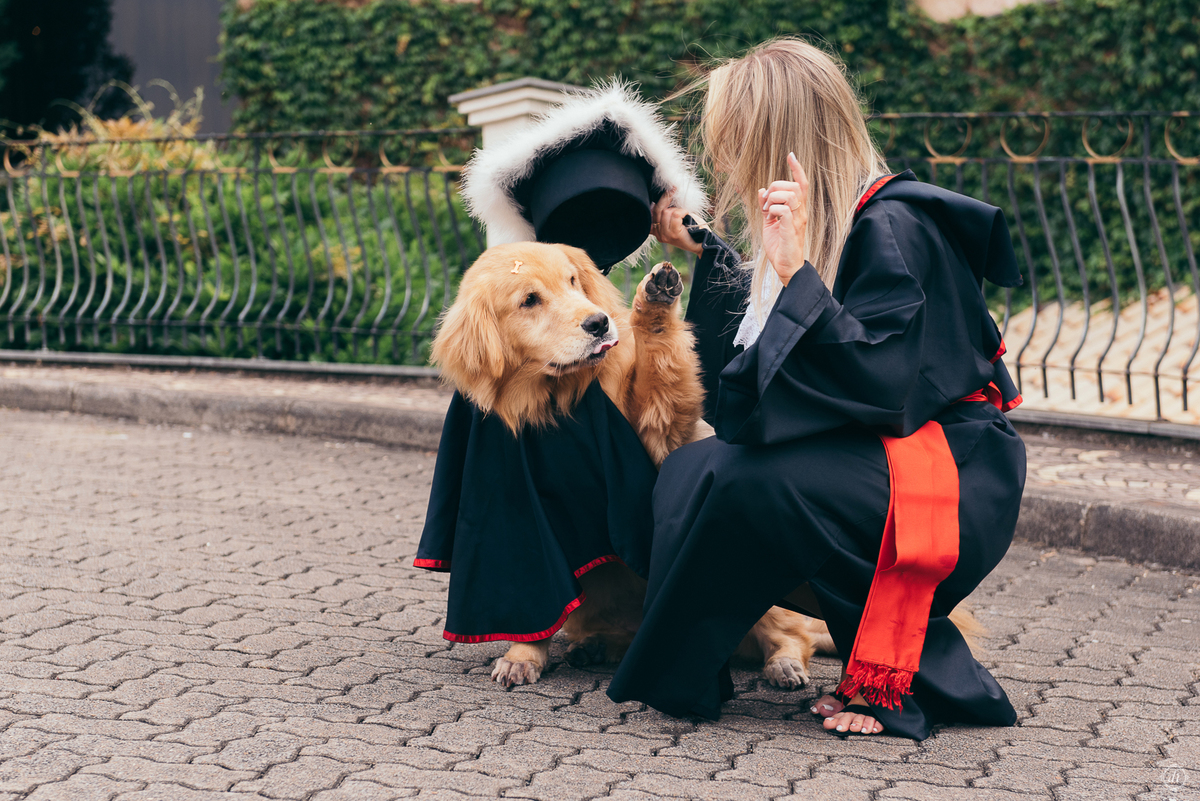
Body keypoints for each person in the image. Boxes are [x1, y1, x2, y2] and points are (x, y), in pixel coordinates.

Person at [605, 38, 1027, 742]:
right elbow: (756, 381)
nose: (725, 160)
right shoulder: (824, 223)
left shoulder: (896, 224)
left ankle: (898, 676)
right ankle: (684, 672)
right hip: (887, 456)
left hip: (949, 471)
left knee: (749, 483)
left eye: (736, 140)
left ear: (778, 139)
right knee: (692, 471)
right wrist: (723, 251)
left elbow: (885, 380)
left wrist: (797, 274)